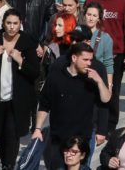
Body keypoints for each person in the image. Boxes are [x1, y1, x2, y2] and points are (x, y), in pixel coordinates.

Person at [32, 42, 111, 170]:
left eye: (91, 60)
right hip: (59, 139)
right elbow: (44, 105)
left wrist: (99, 81)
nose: (89, 63)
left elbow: (106, 99)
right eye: (85, 60)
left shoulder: (92, 78)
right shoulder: (55, 77)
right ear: (74, 58)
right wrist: (37, 129)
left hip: (82, 140)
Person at [0, 9, 40, 170]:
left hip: (18, 98)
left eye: (15, 23)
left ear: (20, 24)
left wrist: (20, 61)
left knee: (12, 133)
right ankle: (5, 163)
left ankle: (9, 165)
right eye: (8, 23)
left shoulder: (28, 42)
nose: (12, 27)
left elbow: (34, 72)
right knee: (0, 134)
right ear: (3, 23)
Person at [84, 0, 125, 131]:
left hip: (115, 52)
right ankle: (92, 122)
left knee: (112, 88)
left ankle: (110, 125)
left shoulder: (122, 0)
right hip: (92, 51)